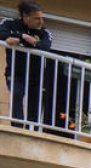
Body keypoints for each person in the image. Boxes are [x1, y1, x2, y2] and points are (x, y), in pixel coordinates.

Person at [2, 1, 53, 129]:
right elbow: (2, 33)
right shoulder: (10, 23)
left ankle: (32, 132)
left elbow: (46, 46)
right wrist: (21, 36)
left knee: (35, 104)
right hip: (15, 72)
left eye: (42, 18)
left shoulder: (44, 32)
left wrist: (29, 42)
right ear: (25, 16)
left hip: (36, 76)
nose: (41, 21)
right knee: (17, 94)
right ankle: (17, 129)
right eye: (37, 18)